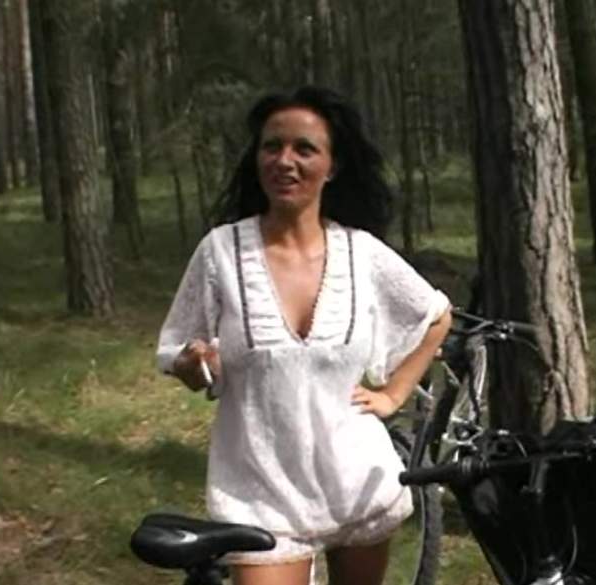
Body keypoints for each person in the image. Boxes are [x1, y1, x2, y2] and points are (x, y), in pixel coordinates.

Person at [156, 86, 451, 585]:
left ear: (332, 167)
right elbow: (177, 349)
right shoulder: (221, 253)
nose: (284, 161)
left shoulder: (362, 253)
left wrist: (393, 395)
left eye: (304, 149)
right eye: (272, 146)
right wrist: (193, 365)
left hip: (358, 485)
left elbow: (436, 316)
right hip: (258, 493)